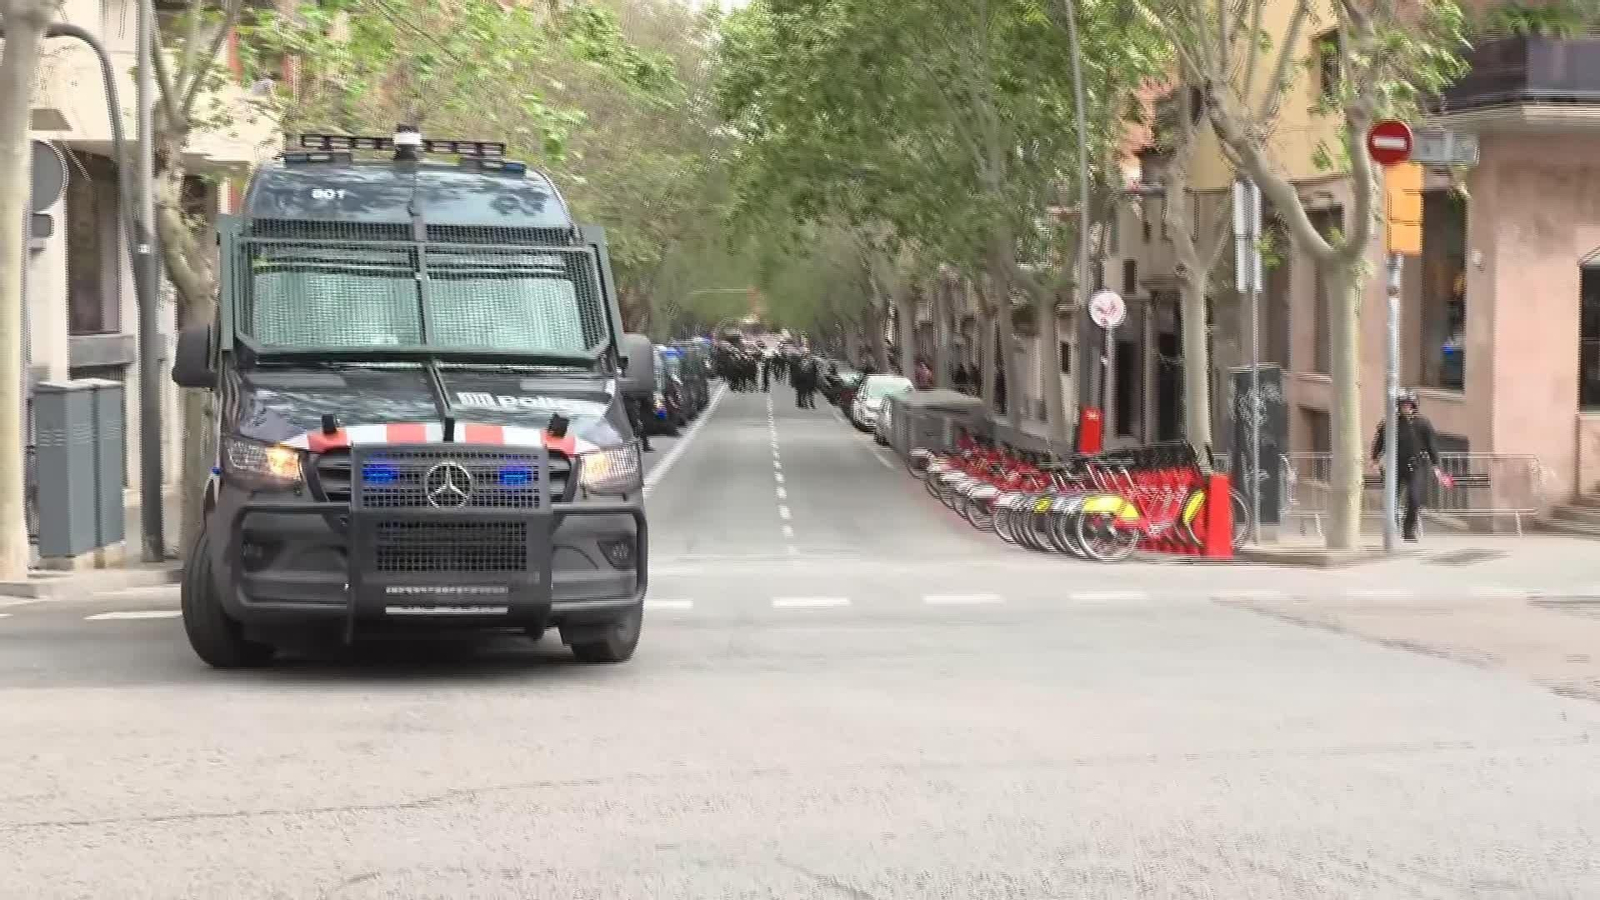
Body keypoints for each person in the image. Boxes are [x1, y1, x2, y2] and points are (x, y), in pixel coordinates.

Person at [1369, 389, 1444, 542]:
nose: (1406, 408)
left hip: (1416, 466)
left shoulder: (1423, 423)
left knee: (1414, 498)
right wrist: (1375, 459)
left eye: (1409, 405)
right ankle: (1392, 527)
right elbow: (1379, 441)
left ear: (1414, 405)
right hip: (1395, 466)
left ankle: (1408, 530)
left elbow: (1432, 446)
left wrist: (1437, 466)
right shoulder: (1390, 422)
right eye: (1403, 405)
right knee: (1391, 499)